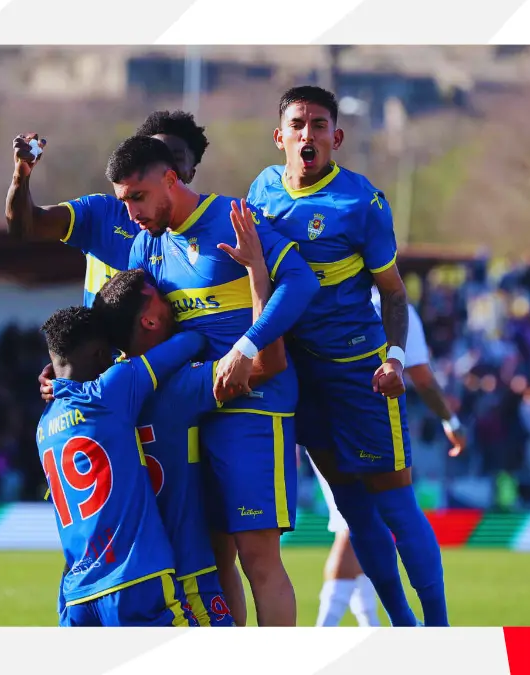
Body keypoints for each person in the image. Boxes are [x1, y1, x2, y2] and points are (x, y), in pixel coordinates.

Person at [245, 85, 448, 627]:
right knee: (355, 513)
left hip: (360, 374)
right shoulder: (261, 191)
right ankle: (403, 628)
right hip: (301, 378)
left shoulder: (362, 203)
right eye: (297, 124)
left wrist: (396, 360)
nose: (307, 134)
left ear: (335, 137)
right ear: (279, 136)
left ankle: (441, 632)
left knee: (396, 507)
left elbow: (397, 294)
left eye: (318, 126)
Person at [103, 134, 319, 626]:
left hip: (254, 407)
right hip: (191, 413)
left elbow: (301, 282)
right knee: (213, 562)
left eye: (138, 196)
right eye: (124, 201)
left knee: (257, 558)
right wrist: (71, 370)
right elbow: (129, 324)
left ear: (170, 180)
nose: (132, 211)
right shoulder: (146, 246)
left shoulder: (233, 219)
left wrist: (247, 345)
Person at [63, 199, 286, 627]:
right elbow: (269, 362)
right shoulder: (178, 388)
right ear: (148, 322)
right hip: (186, 572)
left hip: (115, 576)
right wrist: (258, 273)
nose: (171, 298)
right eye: (160, 298)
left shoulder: (98, 401)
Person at [308, 287, 467, 627]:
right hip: (368, 413)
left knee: (359, 524)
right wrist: (450, 420)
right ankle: (415, 628)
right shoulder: (392, 306)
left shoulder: (308, 286)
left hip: (316, 409)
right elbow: (421, 377)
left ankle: (378, 625)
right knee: (379, 518)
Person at [37, 306, 203, 627]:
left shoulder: (44, 425)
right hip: (134, 577)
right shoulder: (109, 389)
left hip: (78, 593)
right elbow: (191, 342)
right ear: (100, 352)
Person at [5, 109, 211, 306]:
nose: (164, 167)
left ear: (190, 173)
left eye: (175, 159)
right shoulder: (102, 213)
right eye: (156, 156)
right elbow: (27, 226)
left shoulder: (210, 234)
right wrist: (20, 177)